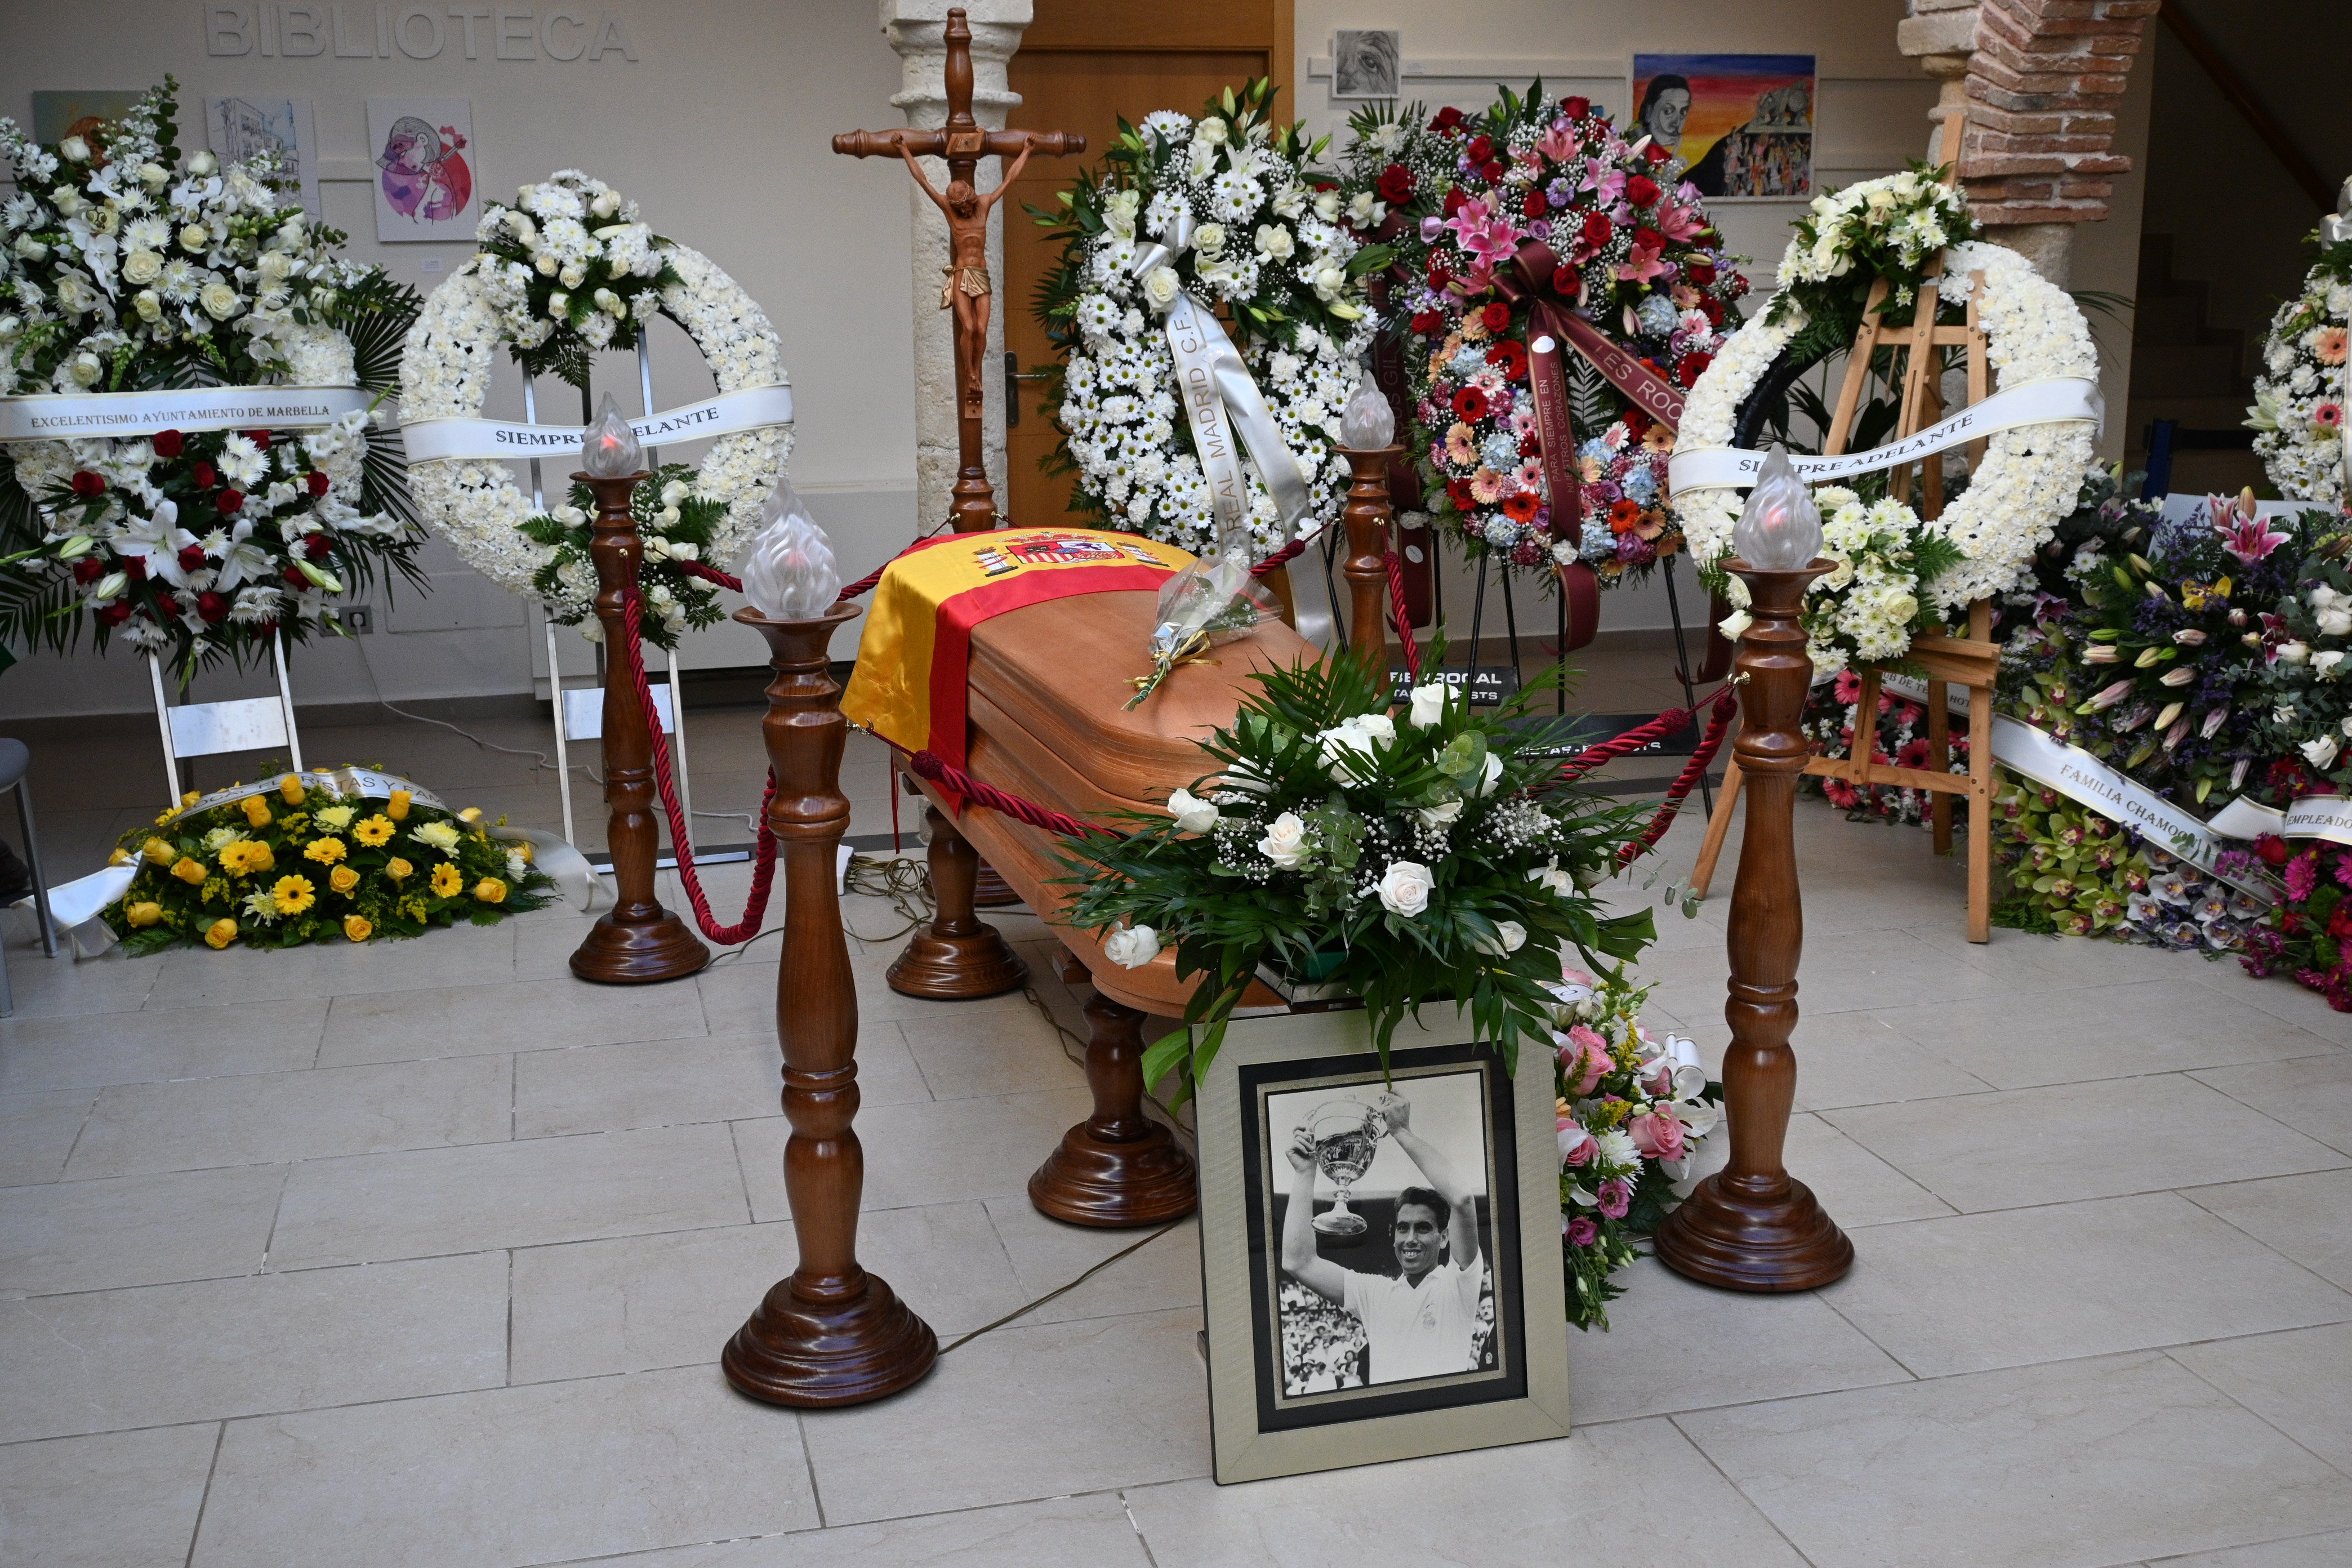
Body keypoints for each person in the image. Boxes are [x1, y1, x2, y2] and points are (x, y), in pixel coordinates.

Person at [1280, 1092, 1486, 1384]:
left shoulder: (1459, 1284)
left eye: (1423, 1228)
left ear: (1444, 1238)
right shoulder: (1373, 1293)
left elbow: (1462, 1200)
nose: (1410, 1238)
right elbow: (1297, 1262)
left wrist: (1401, 1132)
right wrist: (1305, 1173)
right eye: (1403, 1228)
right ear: (1393, 1236)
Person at [1634, 74, 1692, 158]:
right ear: (1649, 113)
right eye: (1668, 111)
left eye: (1683, 112)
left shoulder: (1682, 150)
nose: (1677, 122)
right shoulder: (1629, 150)